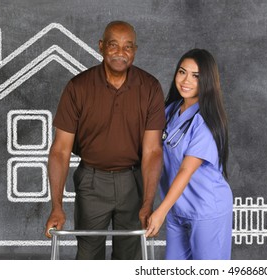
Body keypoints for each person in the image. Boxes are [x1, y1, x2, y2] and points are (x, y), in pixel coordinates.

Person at [45, 21, 164, 260]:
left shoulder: (150, 88)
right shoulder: (78, 87)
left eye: (128, 47)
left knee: (129, 258)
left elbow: (152, 151)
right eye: (113, 45)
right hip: (92, 182)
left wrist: (147, 203)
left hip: (133, 182)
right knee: (88, 257)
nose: (121, 52)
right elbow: (60, 151)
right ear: (101, 47)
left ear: (135, 51)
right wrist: (56, 206)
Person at [145, 49, 233, 260]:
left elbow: (186, 169)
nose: (186, 80)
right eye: (182, 72)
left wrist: (160, 212)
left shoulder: (205, 121)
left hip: (206, 211)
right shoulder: (169, 110)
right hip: (177, 209)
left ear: (208, 81)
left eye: (196, 76)